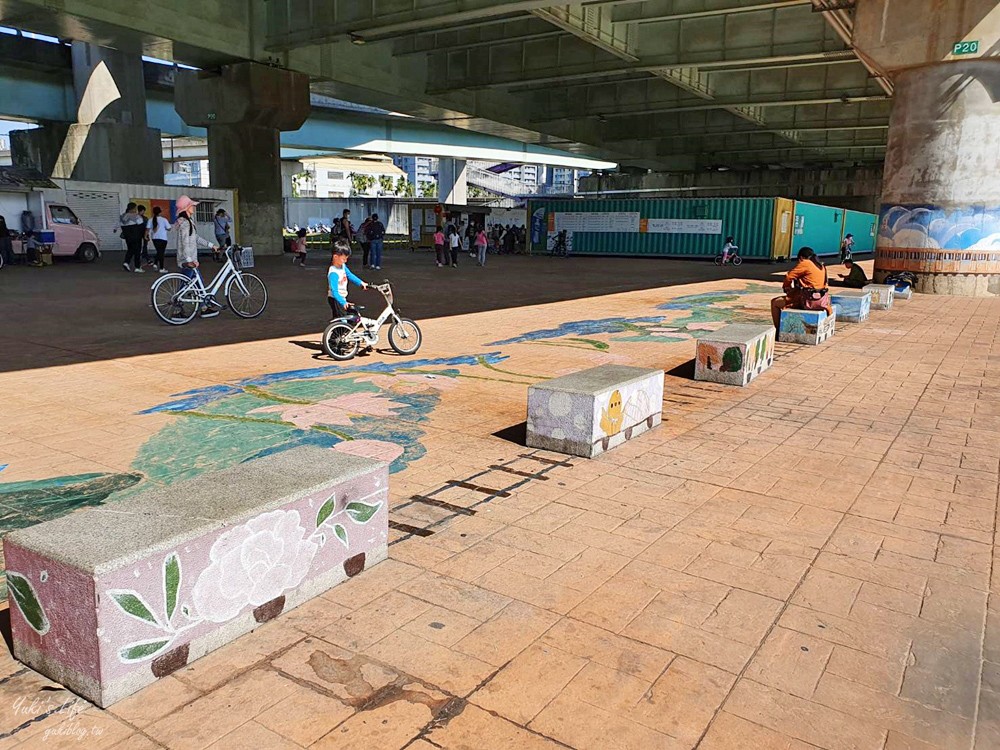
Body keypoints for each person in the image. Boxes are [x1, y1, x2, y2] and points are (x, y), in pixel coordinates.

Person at [171, 195, 220, 317]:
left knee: (199, 284)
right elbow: (185, 243)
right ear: (186, 208)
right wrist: (189, 260)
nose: (194, 207)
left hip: (190, 259)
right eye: (192, 205)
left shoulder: (188, 222)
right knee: (185, 286)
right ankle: (178, 310)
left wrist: (211, 245)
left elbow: (195, 238)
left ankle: (204, 307)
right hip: (188, 260)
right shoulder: (186, 224)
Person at [771, 247, 832, 328]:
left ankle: (778, 330)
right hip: (821, 300)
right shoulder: (821, 265)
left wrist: (787, 287)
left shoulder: (806, 263)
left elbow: (788, 277)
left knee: (775, 302)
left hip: (808, 300)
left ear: (801, 257)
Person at [327, 238, 369, 324]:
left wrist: (361, 282)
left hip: (342, 297)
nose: (345, 261)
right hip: (335, 299)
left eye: (346, 259)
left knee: (352, 315)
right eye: (343, 259)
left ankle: (342, 333)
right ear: (335, 257)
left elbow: (350, 275)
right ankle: (336, 336)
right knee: (342, 320)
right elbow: (334, 291)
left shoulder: (342, 266)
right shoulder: (333, 273)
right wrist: (342, 302)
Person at [119, 202, 146, 273]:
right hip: (136, 236)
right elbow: (141, 225)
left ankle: (126, 262)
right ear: (133, 208)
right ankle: (137, 267)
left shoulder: (122, 216)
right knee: (137, 251)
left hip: (127, 237)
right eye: (135, 208)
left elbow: (117, 226)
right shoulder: (136, 216)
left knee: (130, 249)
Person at [146, 206, 171, 274]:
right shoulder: (164, 220)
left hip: (155, 238)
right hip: (163, 238)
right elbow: (169, 228)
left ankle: (155, 264)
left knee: (159, 252)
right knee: (161, 253)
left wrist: (145, 236)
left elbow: (147, 229)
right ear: (160, 212)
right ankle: (161, 268)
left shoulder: (150, 220)